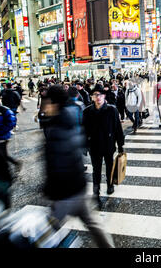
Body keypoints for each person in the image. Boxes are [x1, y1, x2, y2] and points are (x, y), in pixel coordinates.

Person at [42, 85, 114, 248]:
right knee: (94, 225)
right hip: (79, 187)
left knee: (47, 231)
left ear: (54, 103)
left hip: (65, 193)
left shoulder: (56, 128)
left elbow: (57, 162)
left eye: (47, 101)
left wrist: (50, 189)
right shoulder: (72, 115)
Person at [83, 85, 124, 201]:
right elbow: (84, 130)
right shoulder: (87, 111)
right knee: (96, 169)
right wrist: (84, 146)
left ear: (104, 96)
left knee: (109, 166)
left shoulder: (112, 110)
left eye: (100, 95)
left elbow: (117, 128)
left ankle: (110, 184)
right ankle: (96, 189)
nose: (98, 97)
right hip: (94, 145)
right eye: (95, 95)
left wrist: (120, 145)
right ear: (92, 97)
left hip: (108, 144)